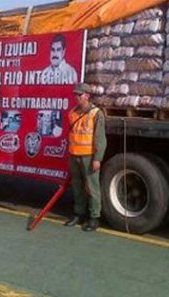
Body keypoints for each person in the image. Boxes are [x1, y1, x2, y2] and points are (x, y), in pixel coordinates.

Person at [65, 83, 107, 232]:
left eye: (79, 94)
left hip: (88, 156)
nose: (76, 97)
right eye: (75, 94)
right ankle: (78, 214)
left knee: (92, 187)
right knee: (77, 186)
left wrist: (97, 158)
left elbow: (100, 138)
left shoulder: (96, 113)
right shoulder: (72, 113)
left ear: (87, 96)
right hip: (74, 155)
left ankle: (94, 218)